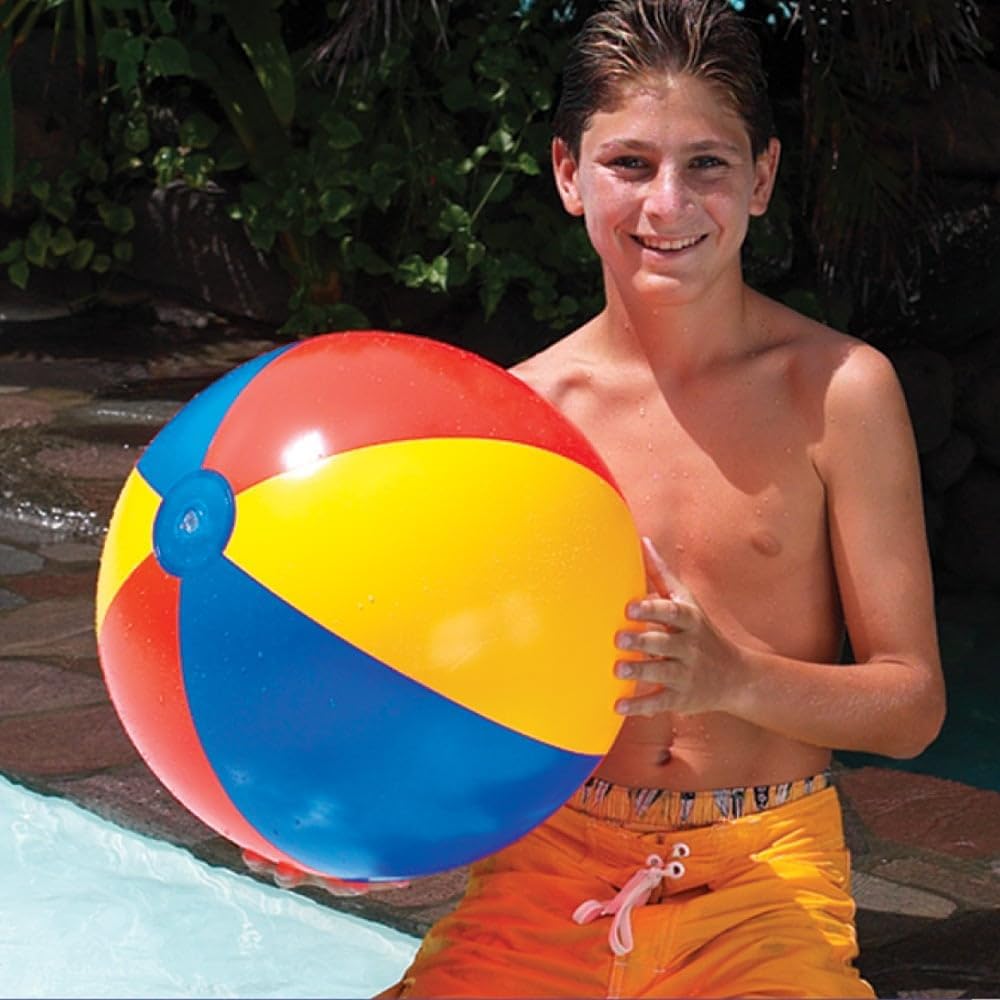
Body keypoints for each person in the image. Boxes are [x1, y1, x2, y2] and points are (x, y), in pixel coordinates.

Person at [254, 1, 945, 995]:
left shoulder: (836, 393)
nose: (667, 205)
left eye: (706, 163)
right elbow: (453, 686)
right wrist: (353, 828)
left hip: (760, 881)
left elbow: (911, 705)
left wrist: (735, 675)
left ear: (762, 179)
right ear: (568, 176)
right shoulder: (517, 417)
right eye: (628, 163)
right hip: (546, 869)